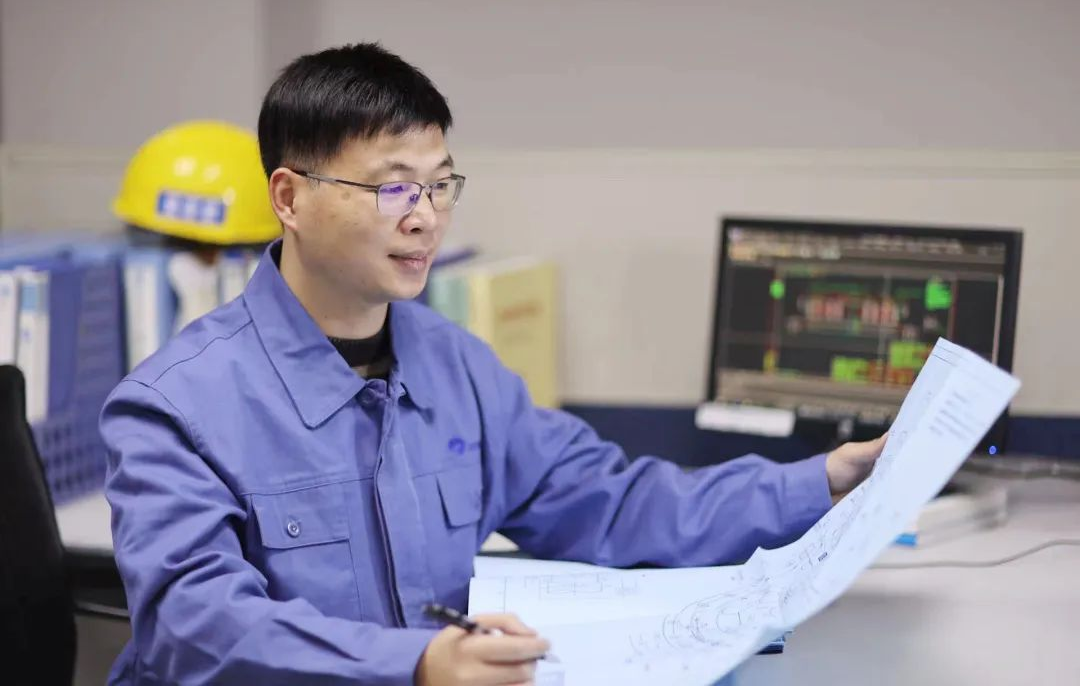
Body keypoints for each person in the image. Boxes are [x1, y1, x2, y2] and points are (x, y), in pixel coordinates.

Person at [101, 43, 885, 686]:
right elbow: (194, 629)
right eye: (393, 188)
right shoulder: (175, 406)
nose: (425, 217)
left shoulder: (457, 369)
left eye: (440, 185)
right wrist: (418, 665)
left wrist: (820, 480)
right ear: (289, 197)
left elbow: (614, 504)